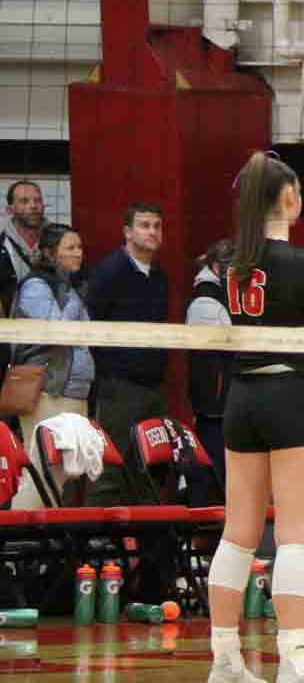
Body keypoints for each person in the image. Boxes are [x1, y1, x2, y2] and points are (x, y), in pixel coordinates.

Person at [203, 152, 304, 683]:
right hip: (289, 396)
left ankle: (225, 664)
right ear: (289, 198)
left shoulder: (232, 264)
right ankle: (294, 668)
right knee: (294, 536)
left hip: (242, 398)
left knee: (237, 533)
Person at [85, 202, 169, 503]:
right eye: (145, 225)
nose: (152, 232)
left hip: (153, 386)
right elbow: (91, 321)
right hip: (118, 385)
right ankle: (98, 530)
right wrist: (111, 368)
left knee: (149, 466)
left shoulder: (159, 275)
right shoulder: (111, 270)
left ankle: (145, 532)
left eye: (157, 226)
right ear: (127, 232)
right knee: (111, 464)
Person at [8, 223, 94, 437]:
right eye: (70, 248)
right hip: (48, 390)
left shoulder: (70, 286)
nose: (78, 253)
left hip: (77, 390)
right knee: (45, 455)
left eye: (80, 247)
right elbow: (58, 330)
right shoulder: (36, 286)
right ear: (49, 253)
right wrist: (73, 295)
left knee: (74, 458)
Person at [186, 240, 235, 497]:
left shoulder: (218, 293)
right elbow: (211, 358)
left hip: (220, 403)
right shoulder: (206, 299)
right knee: (212, 475)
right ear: (218, 267)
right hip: (214, 406)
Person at [1, 181, 43, 372]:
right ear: (10, 210)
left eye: (37, 200)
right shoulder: (2, 249)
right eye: (24, 201)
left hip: (53, 343)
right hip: (13, 347)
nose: (33, 205)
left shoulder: (59, 244)